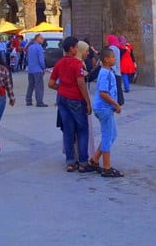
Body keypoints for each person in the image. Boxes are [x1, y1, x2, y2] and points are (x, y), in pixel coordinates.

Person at [49, 36, 94, 173]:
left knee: (68, 131)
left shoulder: (59, 63)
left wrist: (62, 89)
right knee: (82, 130)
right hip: (76, 99)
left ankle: (70, 162)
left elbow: (51, 83)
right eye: (75, 47)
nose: (76, 49)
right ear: (71, 49)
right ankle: (83, 162)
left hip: (62, 99)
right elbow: (81, 83)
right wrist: (88, 102)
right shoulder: (76, 64)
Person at [88, 47, 123, 177]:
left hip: (106, 108)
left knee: (112, 134)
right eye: (113, 57)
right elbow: (103, 93)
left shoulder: (109, 72)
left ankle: (95, 159)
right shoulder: (104, 73)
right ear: (106, 59)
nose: (115, 59)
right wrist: (116, 104)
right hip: (103, 108)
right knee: (107, 136)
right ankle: (107, 167)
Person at [25, 34, 47, 107]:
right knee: (39, 86)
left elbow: (27, 59)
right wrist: (43, 68)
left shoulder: (30, 47)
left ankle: (28, 100)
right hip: (38, 70)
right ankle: (39, 101)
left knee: (30, 85)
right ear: (37, 39)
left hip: (30, 70)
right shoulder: (39, 48)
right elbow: (41, 60)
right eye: (41, 38)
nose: (42, 40)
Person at [106, 34, 125, 106]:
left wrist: (111, 69)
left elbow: (111, 59)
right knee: (118, 86)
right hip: (118, 70)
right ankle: (120, 100)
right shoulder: (117, 48)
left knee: (114, 87)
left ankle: (115, 100)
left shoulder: (112, 48)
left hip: (113, 70)